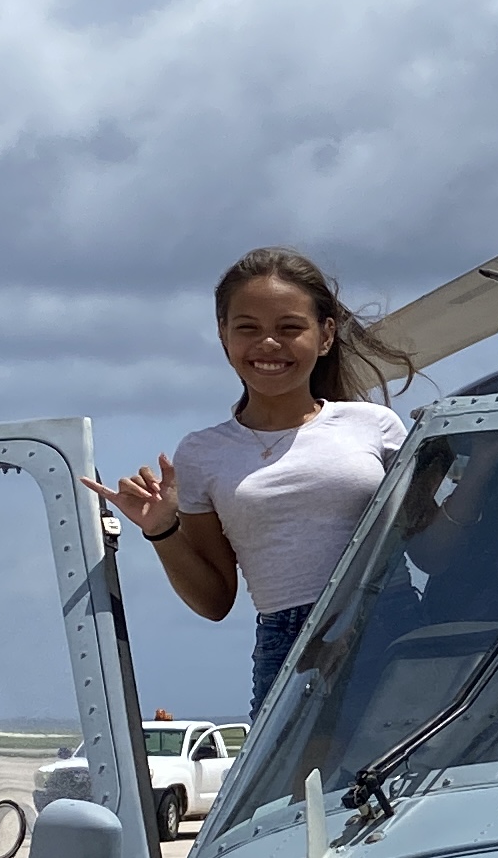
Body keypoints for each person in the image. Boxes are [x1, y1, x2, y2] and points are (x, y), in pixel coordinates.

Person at [91, 250, 413, 719]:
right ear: (223, 335)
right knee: (298, 794)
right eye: (247, 328)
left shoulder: (375, 425)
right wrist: (160, 530)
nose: (267, 343)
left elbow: (432, 545)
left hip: (394, 621)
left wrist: (473, 462)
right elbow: (216, 600)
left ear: (324, 336)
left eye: (289, 328)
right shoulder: (201, 454)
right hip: (290, 645)